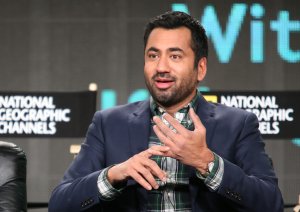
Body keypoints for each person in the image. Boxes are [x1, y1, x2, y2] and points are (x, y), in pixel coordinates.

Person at [49, 11, 283, 211]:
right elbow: (59, 204)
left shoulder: (238, 124)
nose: (161, 67)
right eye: (153, 55)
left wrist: (207, 163)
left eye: (175, 56)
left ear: (200, 68)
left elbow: (271, 203)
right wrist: (113, 175)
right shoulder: (108, 123)